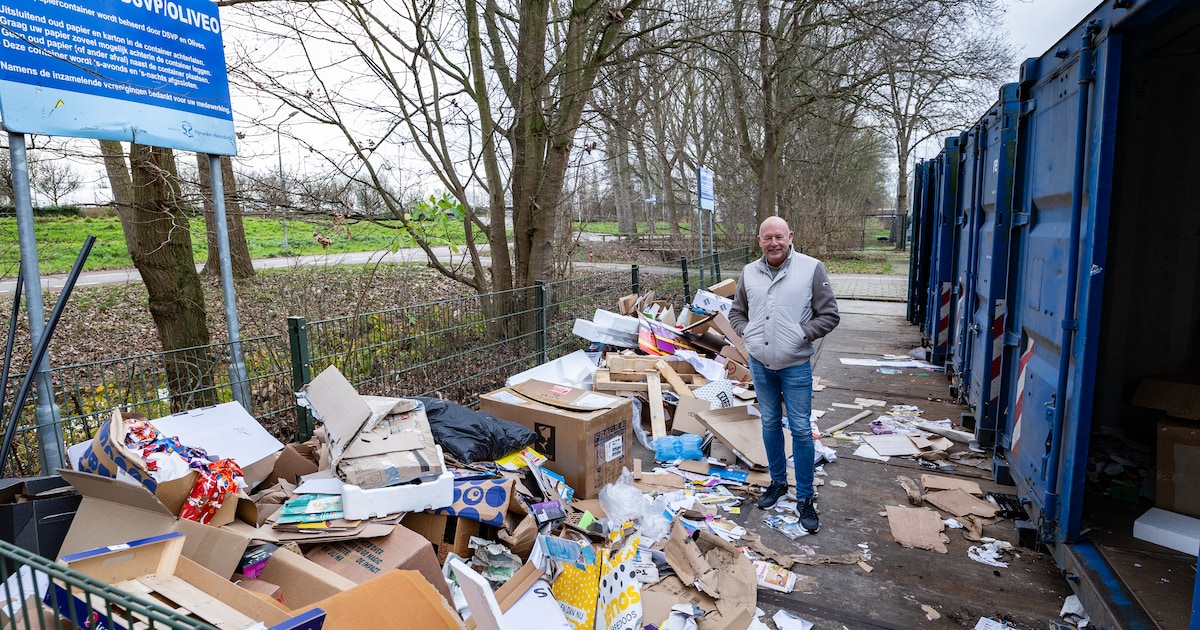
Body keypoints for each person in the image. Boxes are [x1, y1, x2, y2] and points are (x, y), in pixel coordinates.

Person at [729, 216, 840, 533]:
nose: (773, 243)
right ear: (759, 240)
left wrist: (802, 334)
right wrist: (746, 333)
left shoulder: (811, 268)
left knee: (802, 431)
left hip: (795, 365)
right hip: (760, 364)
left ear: (790, 237)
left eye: (779, 237)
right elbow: (737, 311)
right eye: (767, 238)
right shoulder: (750, 272)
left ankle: (805, 497)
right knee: (768, 423)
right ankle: (777, 482)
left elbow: (830, 315)